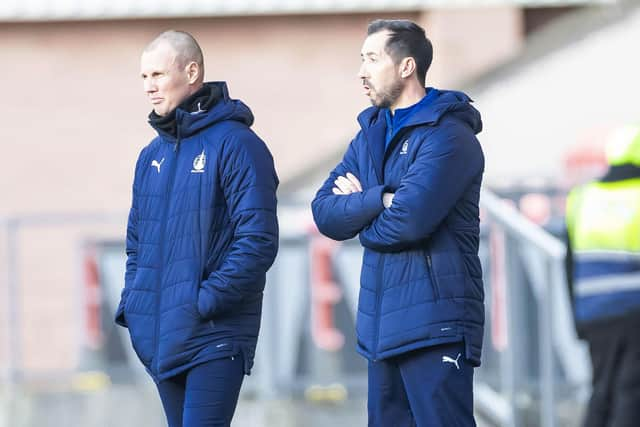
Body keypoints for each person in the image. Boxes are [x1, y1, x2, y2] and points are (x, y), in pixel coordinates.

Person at [311, 19, 485, 427]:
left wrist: (360, 209)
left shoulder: (449, 136)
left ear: (406, 67)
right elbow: (324, 212)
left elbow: (406, 223)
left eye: (372, 59)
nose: (361, 71)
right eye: (361, 60)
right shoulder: (369, 135)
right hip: (381, 330)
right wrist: (380, 198)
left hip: (435, 325)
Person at [114, 30, 279, 427]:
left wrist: (201, 302)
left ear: (192, 72)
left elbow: (257, 241)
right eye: (143, 78)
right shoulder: (150, 155)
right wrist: (135, 306)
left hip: (215, 334)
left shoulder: (238, 144)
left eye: (158, 74)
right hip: (162, 336)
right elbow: (137, 244)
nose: (150, 87)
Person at [566, 125, 640, 427]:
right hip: (634, 310)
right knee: (630, 392)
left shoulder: (583, 197)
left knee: (601, 390)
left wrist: (578, 321)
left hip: (592, 311)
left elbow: (568, 265)